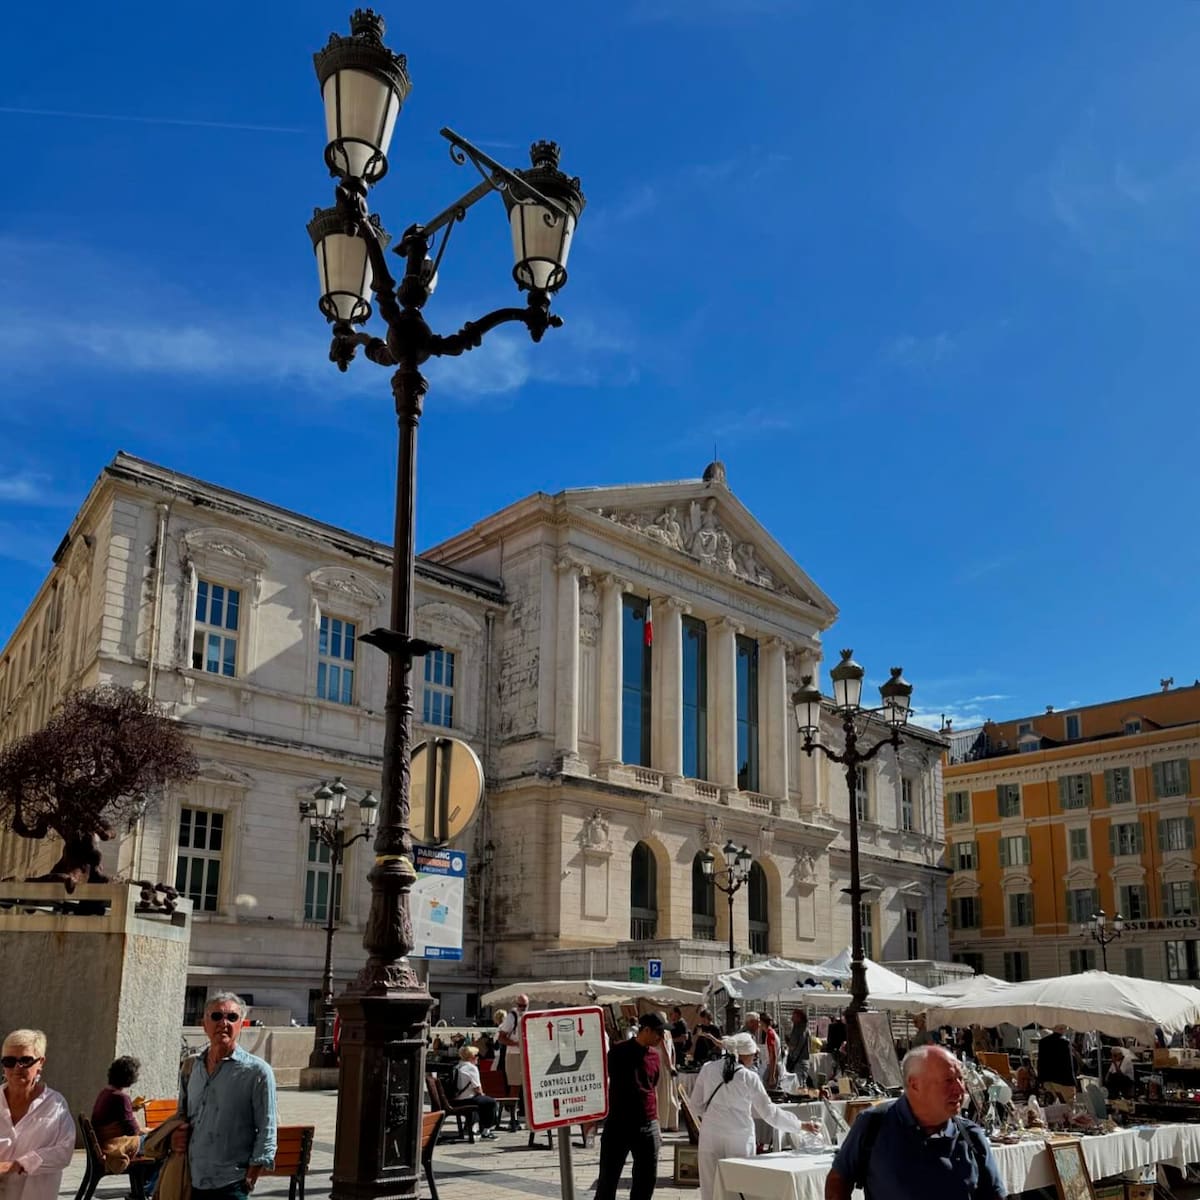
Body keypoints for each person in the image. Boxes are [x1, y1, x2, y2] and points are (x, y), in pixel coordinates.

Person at [825, 1044, 1005, 1200]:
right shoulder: (874, 1124)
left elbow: (994, 1195)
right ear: (915, 1084)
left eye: (961, 1079)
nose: (960, 1089)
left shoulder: (970, 1135)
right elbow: (838, 1182)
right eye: (948, 1080)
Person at [173, 992, 277, 1200]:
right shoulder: (191, 1066)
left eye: (232, 1017)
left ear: (242, 1025)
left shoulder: (257, 1072)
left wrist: (250, 1178)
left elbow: (267, 1129)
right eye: (216, 1017)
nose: (224, 1023)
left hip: (231, 1183)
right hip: (191, 1179)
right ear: (204, 1024)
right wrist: (176, 1136)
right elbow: (182, 1115)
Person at [694, 1032, 812, 1200]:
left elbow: (695, 1105)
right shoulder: (749, 1077)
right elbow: (769, 1113)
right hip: (739, 1137)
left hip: (710, 1135)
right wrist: (799, 1125)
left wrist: (713, 1118)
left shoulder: (708, 1069)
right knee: (740, 1189)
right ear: (744, 1055)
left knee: (709, 1189)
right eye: (753, 1054)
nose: (755, 1057)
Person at [594, 1012, 667, 1200]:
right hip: (619, 1124)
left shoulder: (654, 1056)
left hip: (647, 1125)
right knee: (608, 1180)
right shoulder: (618, 1051)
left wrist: (656, 1123)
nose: (662, 1037)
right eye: (659, 1033)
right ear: (646, 1030)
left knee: (646, 1180)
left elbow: (653, 1088)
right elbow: (601, 1080)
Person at [0, 1028, 75, 1200]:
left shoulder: (55, 1105)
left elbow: (64, 1152)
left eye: (25, 1060)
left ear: (40, 1062)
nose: (17, 1067)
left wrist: (18, 1165)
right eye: (9, 1061)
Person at [92, 1055, 148, 1172]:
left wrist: (130, 1108)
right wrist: (154, 1130)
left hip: (104, 1144)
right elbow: (134, 1131)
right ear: (130, 1077)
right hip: (114, 1147)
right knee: (163, 1142)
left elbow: (114, 1117)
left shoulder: (105, 1093)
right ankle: (151, 1186)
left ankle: (146, 1186)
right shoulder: (121, 1098)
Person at [453, 1046, 499, 1139]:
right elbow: (477, 1088)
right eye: (476, 1055)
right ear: (471, 1057)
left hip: (458, 1099)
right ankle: (486, 1130)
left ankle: (474, 1126)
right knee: (490, 1102)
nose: (478, 1057)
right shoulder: (472, 1068)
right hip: (469, 1099)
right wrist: (483, 1095)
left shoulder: (458, 1066)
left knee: (483, 1102)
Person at [497, 995, 529, 1112]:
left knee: (526, 1086)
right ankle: (511, 1115)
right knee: (515, 1085)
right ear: (516, 1005)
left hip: (526, 1054)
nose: (522, 1008)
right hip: (514, 1055)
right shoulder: (511, 1017)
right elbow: (501, 1038)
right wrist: (516, 1044)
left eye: (524, 1006)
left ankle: (522, 1113)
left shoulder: (527, 1015)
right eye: (520, 1005)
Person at [1036, 1025, 1077, 1102]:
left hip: (1048, 1080)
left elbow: (1040, 1063)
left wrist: (1041, 1080)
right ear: (1064, 1029)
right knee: (1069, 1108)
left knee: (1051, 1107)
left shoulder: (1043, 1042)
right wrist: (1073, 1083)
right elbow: (1069, 1065)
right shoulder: (1065, 1043)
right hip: (1064, 1081)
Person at [784, 1010, 811, 1077]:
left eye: (794, 1016)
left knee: (798, 1085)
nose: (791, 1018)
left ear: (799, 1018)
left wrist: (786, 1039)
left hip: (797, 1063)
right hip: (804, 1061)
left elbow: (792, 1046)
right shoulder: (806, 1029)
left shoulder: (798, 1029)